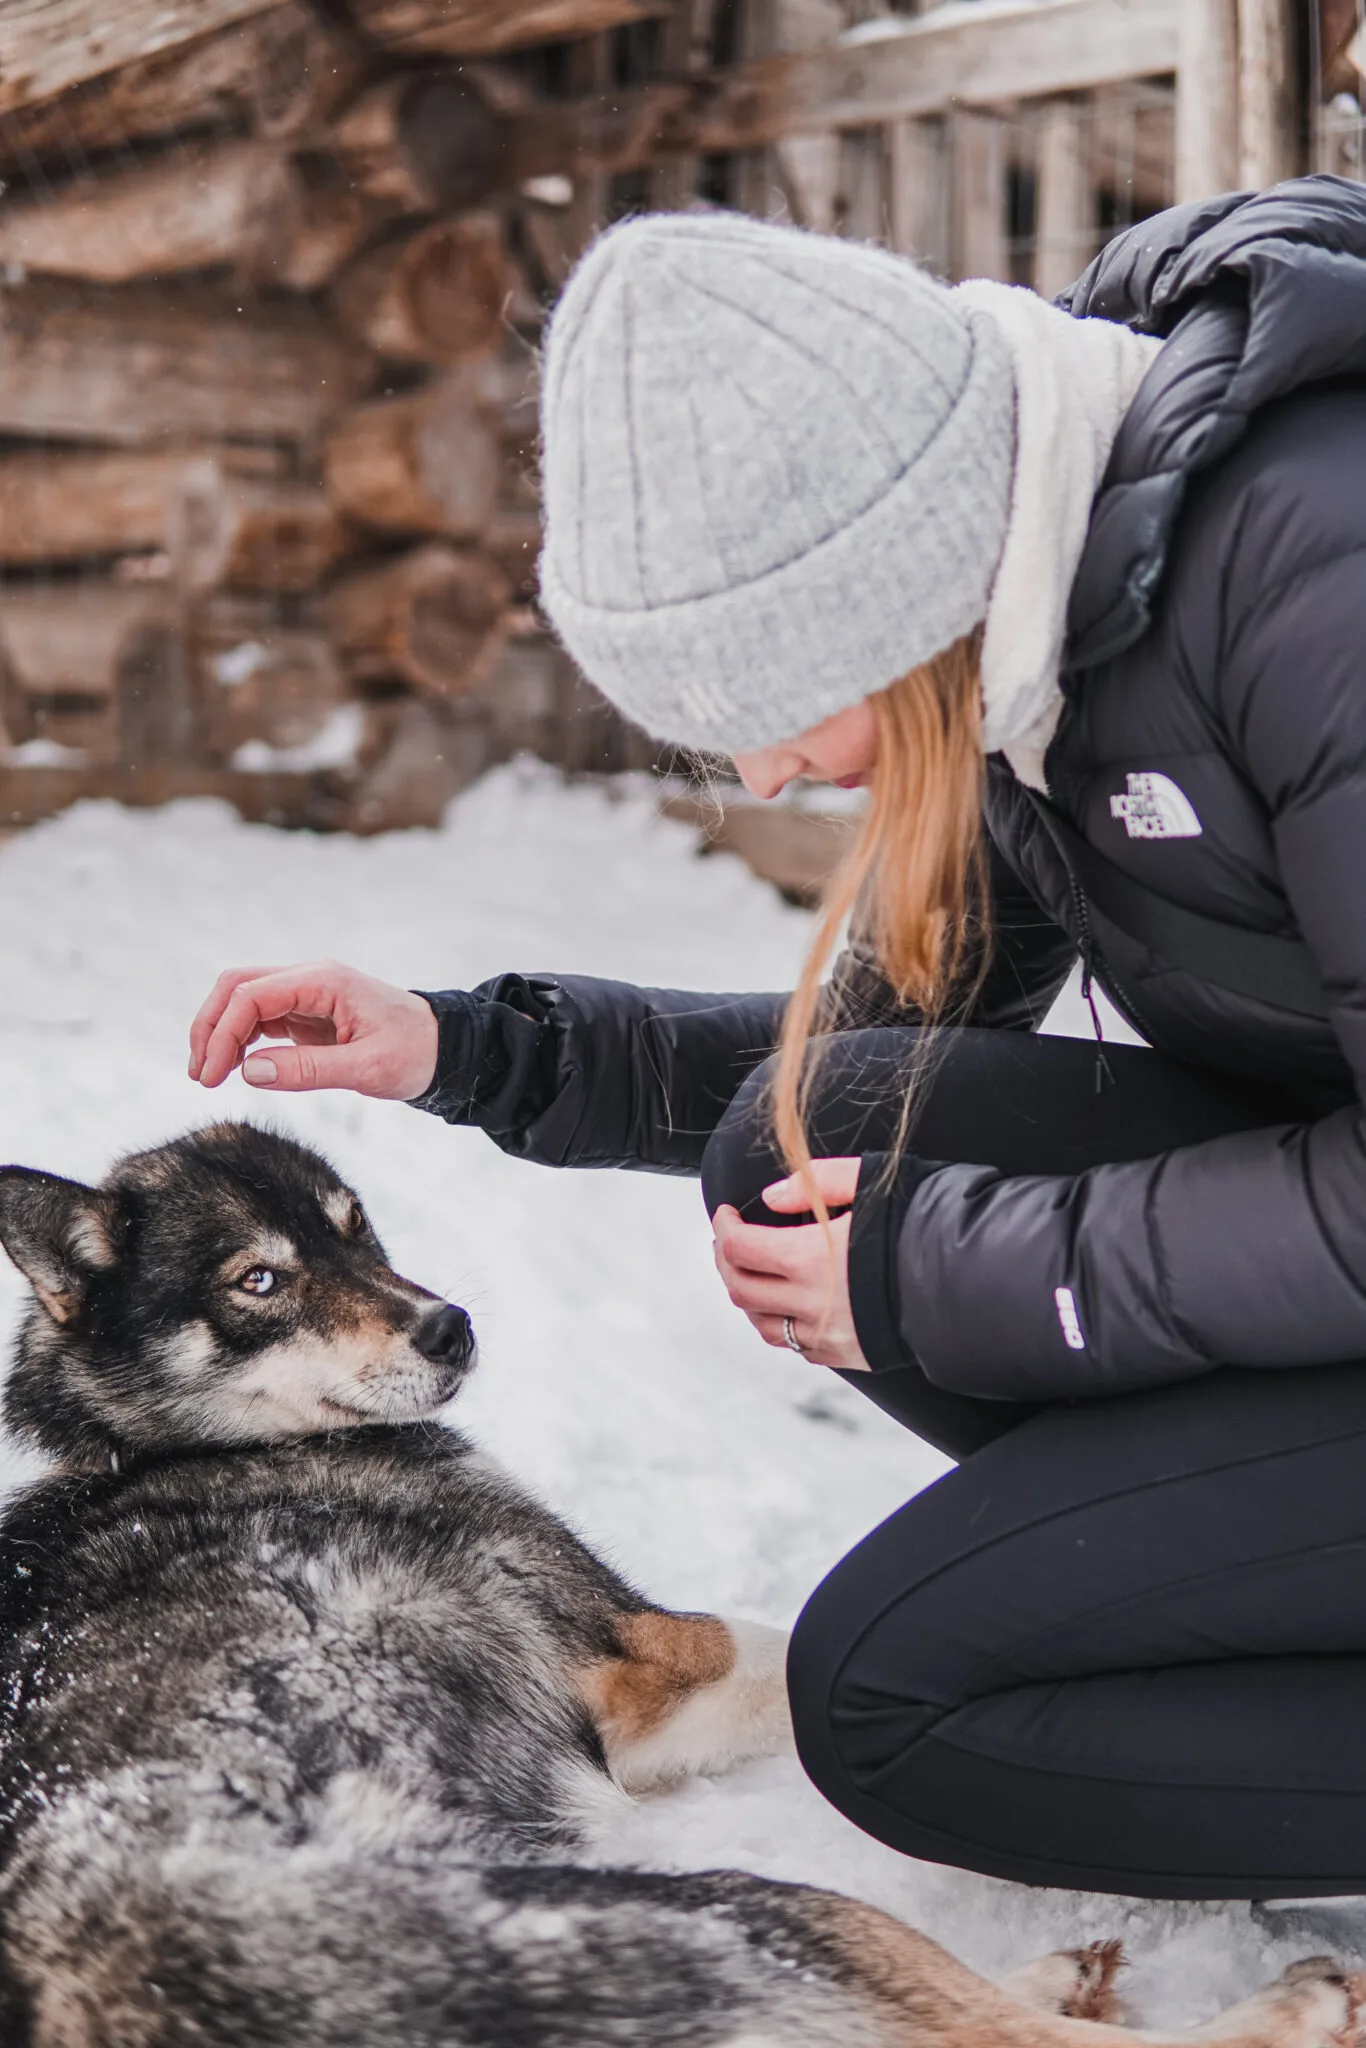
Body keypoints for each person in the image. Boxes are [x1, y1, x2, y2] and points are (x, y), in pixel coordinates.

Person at [189, 178, 1366, 1905]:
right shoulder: (1047, 611)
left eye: (759, 708)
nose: (756, 779)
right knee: (814, 1145)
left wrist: (946, 1279)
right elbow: (868, 1051)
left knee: (896, 1698)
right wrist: (461, 1050)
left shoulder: (1309, 575)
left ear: (878, 587)